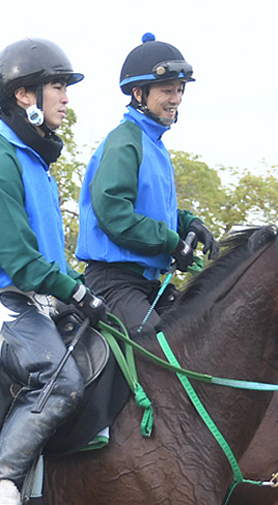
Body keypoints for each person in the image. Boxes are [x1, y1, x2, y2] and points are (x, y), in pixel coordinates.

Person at [0, 38, 106, 505]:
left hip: (38, 298)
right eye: (58, 87)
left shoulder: (35, 163)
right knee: (56, 378)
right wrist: (78, 292)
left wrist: (73, 290)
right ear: (25, 96)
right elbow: (20, 262)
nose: (66, 98)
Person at [76, 33, 219, 333]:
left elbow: (152, 213)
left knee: (205, 334)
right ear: (139, 94)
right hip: (114, 284)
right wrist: (171, 242)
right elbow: (114, 213)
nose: (176, 99)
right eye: (167, 90)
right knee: (162, 356)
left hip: (148, 283)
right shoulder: (124, 143)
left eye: (180, 90)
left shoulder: (155, 145)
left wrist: (187, 224)